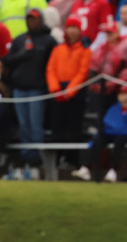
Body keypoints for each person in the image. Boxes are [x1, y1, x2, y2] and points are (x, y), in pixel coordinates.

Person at [2, 8, 55, 174]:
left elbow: (51, 65)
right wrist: (23, 55)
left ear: (40, 20)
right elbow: (7, 61)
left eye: (34, 19)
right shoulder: (19, 40)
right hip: (20, 88)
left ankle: (36, 160)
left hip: (37, 89)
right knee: (24, 125)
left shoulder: (49, 41)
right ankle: (25, 158)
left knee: (35, 126)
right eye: (29, 19)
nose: (31, 22)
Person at [73, 85, 127, 181]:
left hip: (125, 135)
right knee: (98, 140)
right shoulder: (114, 109)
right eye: (120, 93)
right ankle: (86, 168)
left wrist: (117, 129)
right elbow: (107, 123)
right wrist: (116, 129)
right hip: (111, 133)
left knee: (120, 142)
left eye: (125, 93)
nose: (121, 96)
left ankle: (113, 171)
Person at [47, 17, 91, 146]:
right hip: (58, 91)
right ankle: (57, 158)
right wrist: (55, 89)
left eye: (74, 28)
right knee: (57, 126)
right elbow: (51, 69)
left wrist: (69, 91)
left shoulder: (85, 50)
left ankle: (73, 160)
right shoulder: (58, 48)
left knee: (74, 127)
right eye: (69, 27)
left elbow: (83, 72)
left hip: (76, 92)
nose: (71, 31)